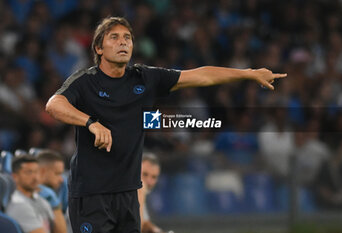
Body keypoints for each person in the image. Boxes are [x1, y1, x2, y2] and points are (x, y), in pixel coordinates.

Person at [45, 16, 286, 233]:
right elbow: (54, 104)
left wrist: (247, 73)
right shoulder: (86, 81)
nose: (123, 43)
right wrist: (90, 123)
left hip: (128, 193)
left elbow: (201, 75)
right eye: (114, 37)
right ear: (99, 47)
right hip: (91, 194)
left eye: (127, 38)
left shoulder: (145, 78)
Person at [5, 155, 62, 233]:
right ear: (15, 176)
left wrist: (56, 206)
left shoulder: (41, 200)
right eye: (29, 172)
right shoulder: (18, 204)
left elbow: (61, 231)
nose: (35, 177)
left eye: (36, 172)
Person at [37, 150, 67, 233]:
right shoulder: (37, 197)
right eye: (57, 173)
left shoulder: (52, 193)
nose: (61, 179)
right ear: (42, 171)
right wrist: (56, 206)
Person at [138, 153, 162, 233]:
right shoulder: (137, 191)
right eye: (145, 174)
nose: (149, 181)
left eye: (154, 177)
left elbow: (145, 223)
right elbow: (138, 227)